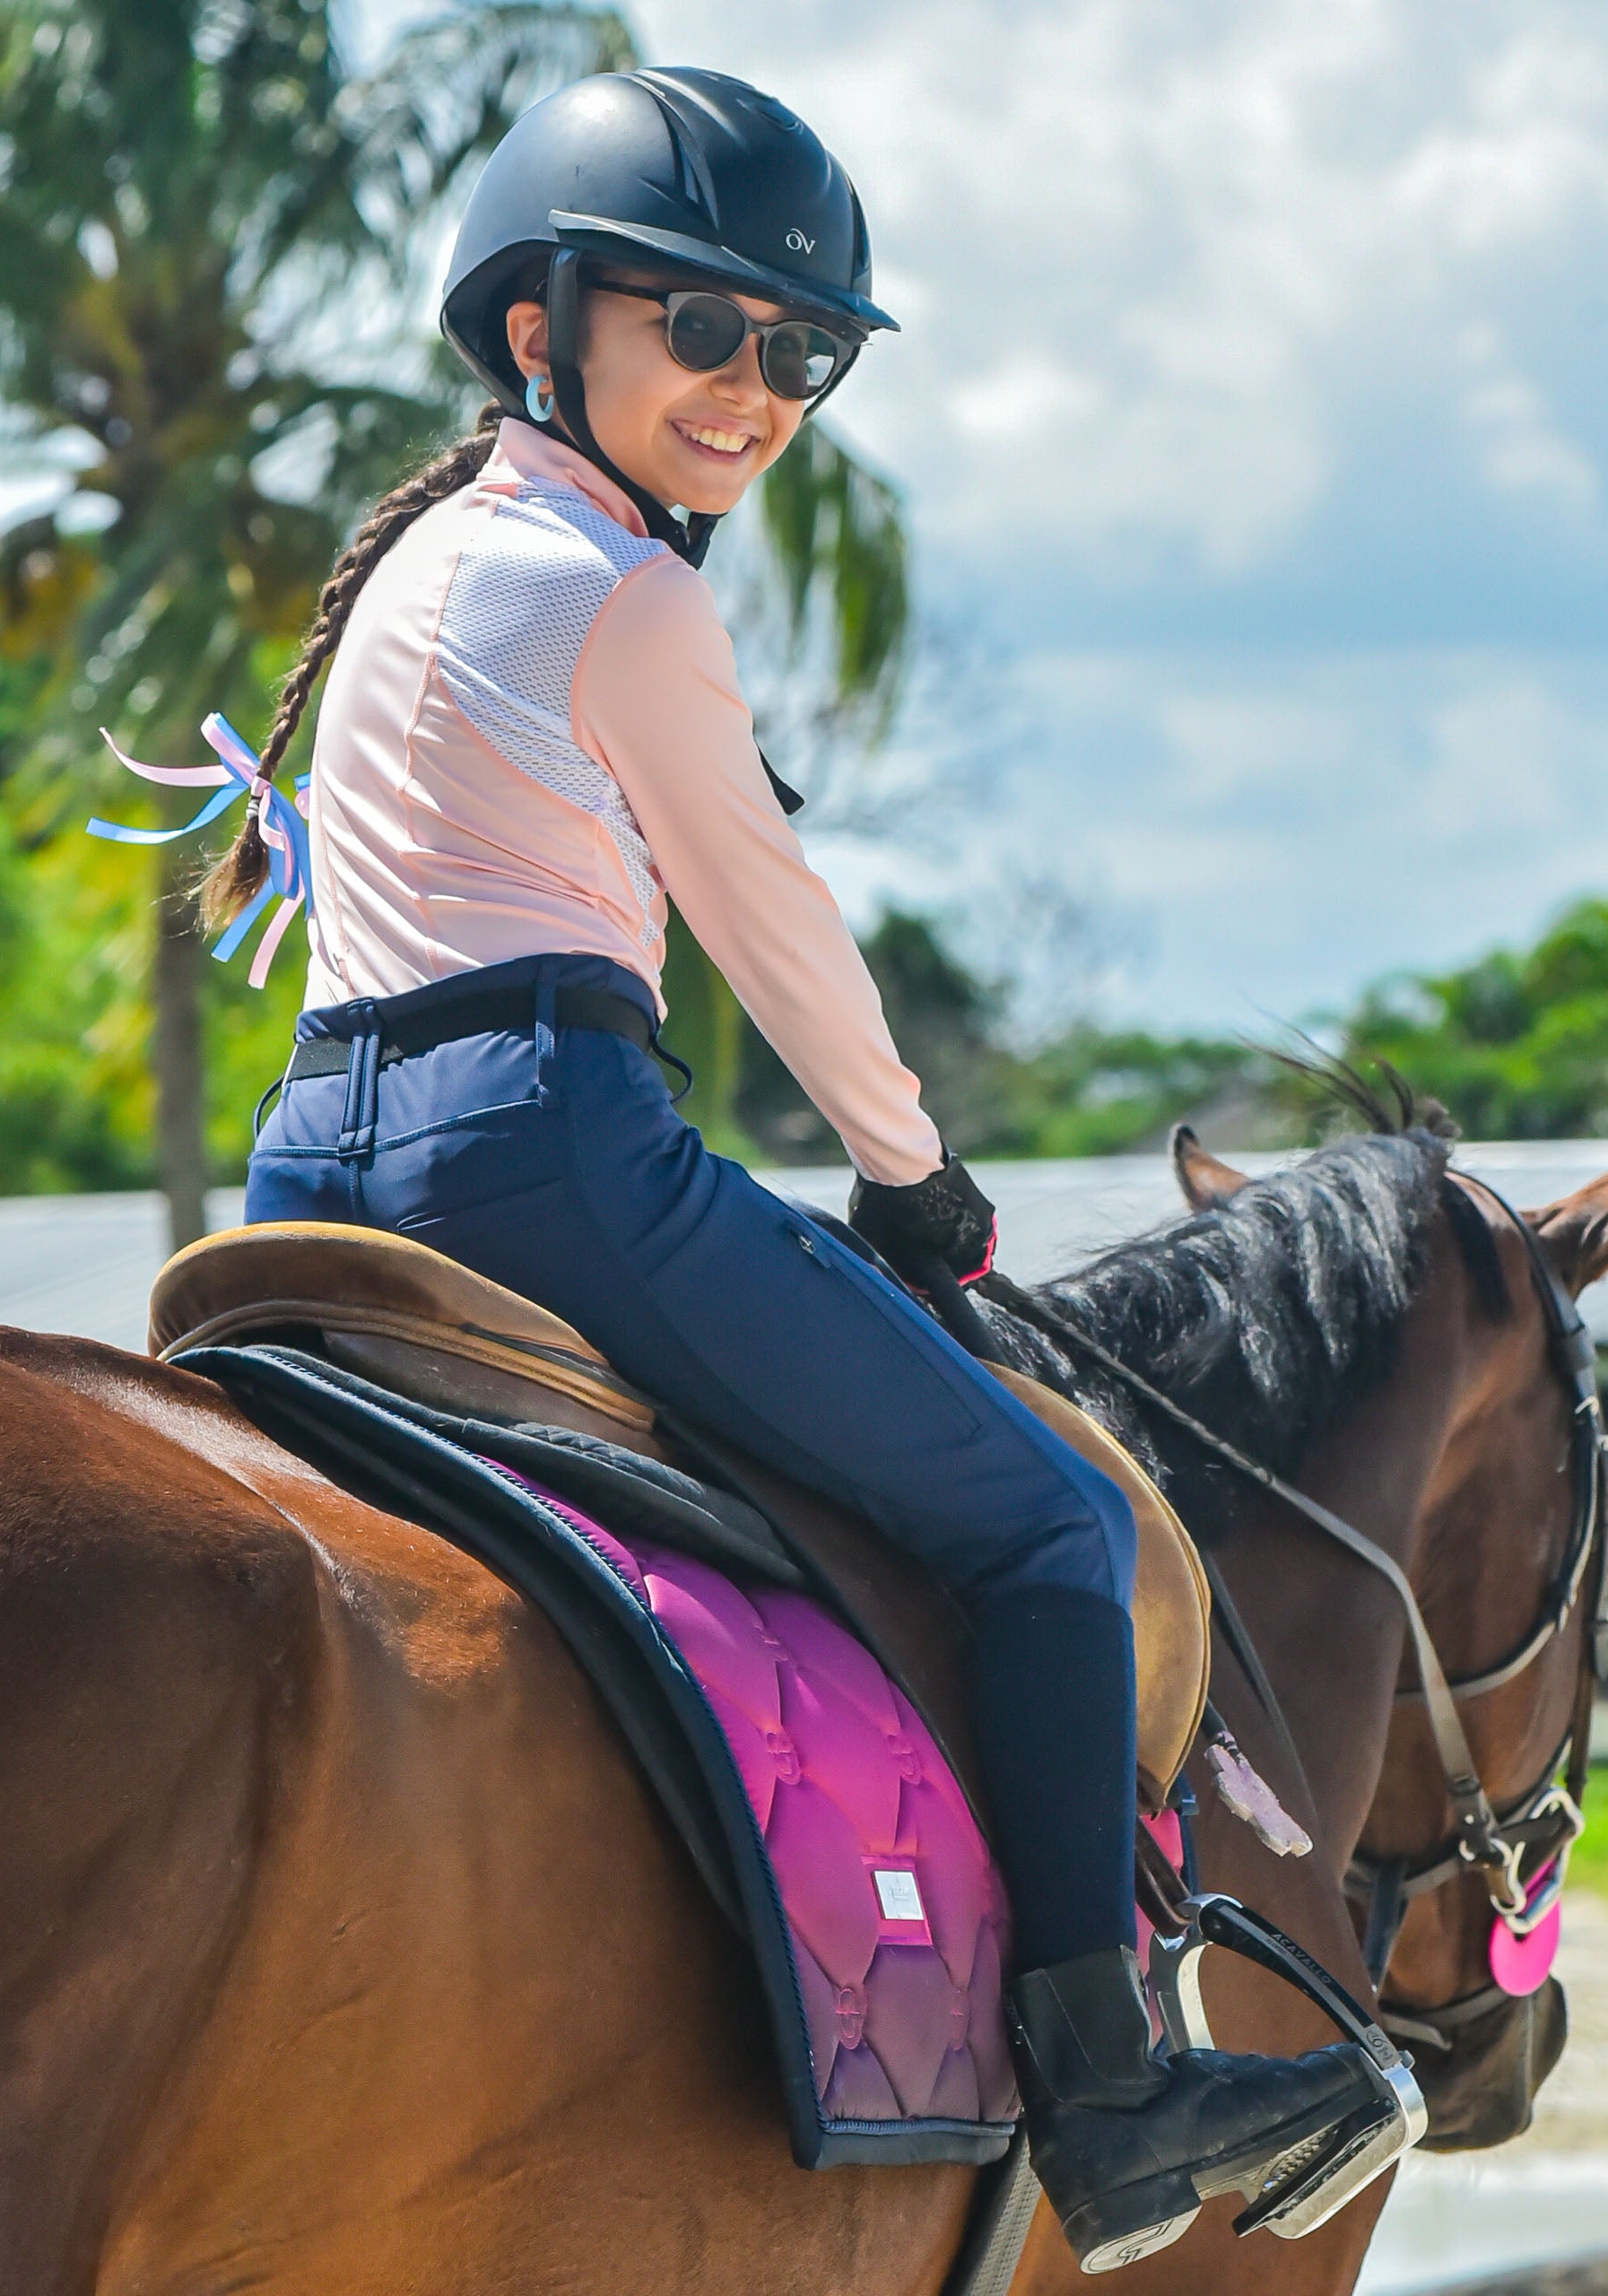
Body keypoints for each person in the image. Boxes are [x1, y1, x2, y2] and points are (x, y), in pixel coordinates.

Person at [225, 67, 1379, 2271]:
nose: (755, 390)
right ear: (544, 328)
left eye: (801, 354)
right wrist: (913, 1173)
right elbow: (768, 922)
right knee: (1044, 1520)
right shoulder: (628, 602)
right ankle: (1115, 2087)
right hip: (542, 1150)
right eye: (703, 331)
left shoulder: (416, 568)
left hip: (317, 1157)